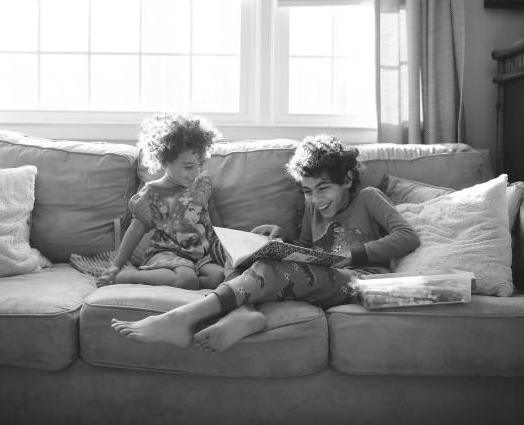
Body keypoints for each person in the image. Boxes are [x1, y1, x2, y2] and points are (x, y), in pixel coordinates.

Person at [111, 134, 421, 353]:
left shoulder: (368, 198)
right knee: (250, 257)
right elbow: (304, 246)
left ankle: (186, 317)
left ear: (349, 180)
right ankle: (242, 312)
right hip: (321, 279)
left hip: (358, 281)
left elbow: (408, 237)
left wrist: (351, 255)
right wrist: (278, 239)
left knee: (272, 271)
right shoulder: (312, 207)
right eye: (308, 191)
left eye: (323, 189)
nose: (316, 199)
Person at [96, 112, 226, 290]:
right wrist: (116, 265)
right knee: (186, 279)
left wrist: (227, 245)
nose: (196, 172)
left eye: (200, 164)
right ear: (165, 161)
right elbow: (135, 232)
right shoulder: (151, 193)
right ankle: (130, 276)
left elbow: (213, 215)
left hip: (200, 255)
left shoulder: (202, 184)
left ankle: (190, 281)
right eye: (188, 167)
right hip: (166, 254)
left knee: (219, 276)